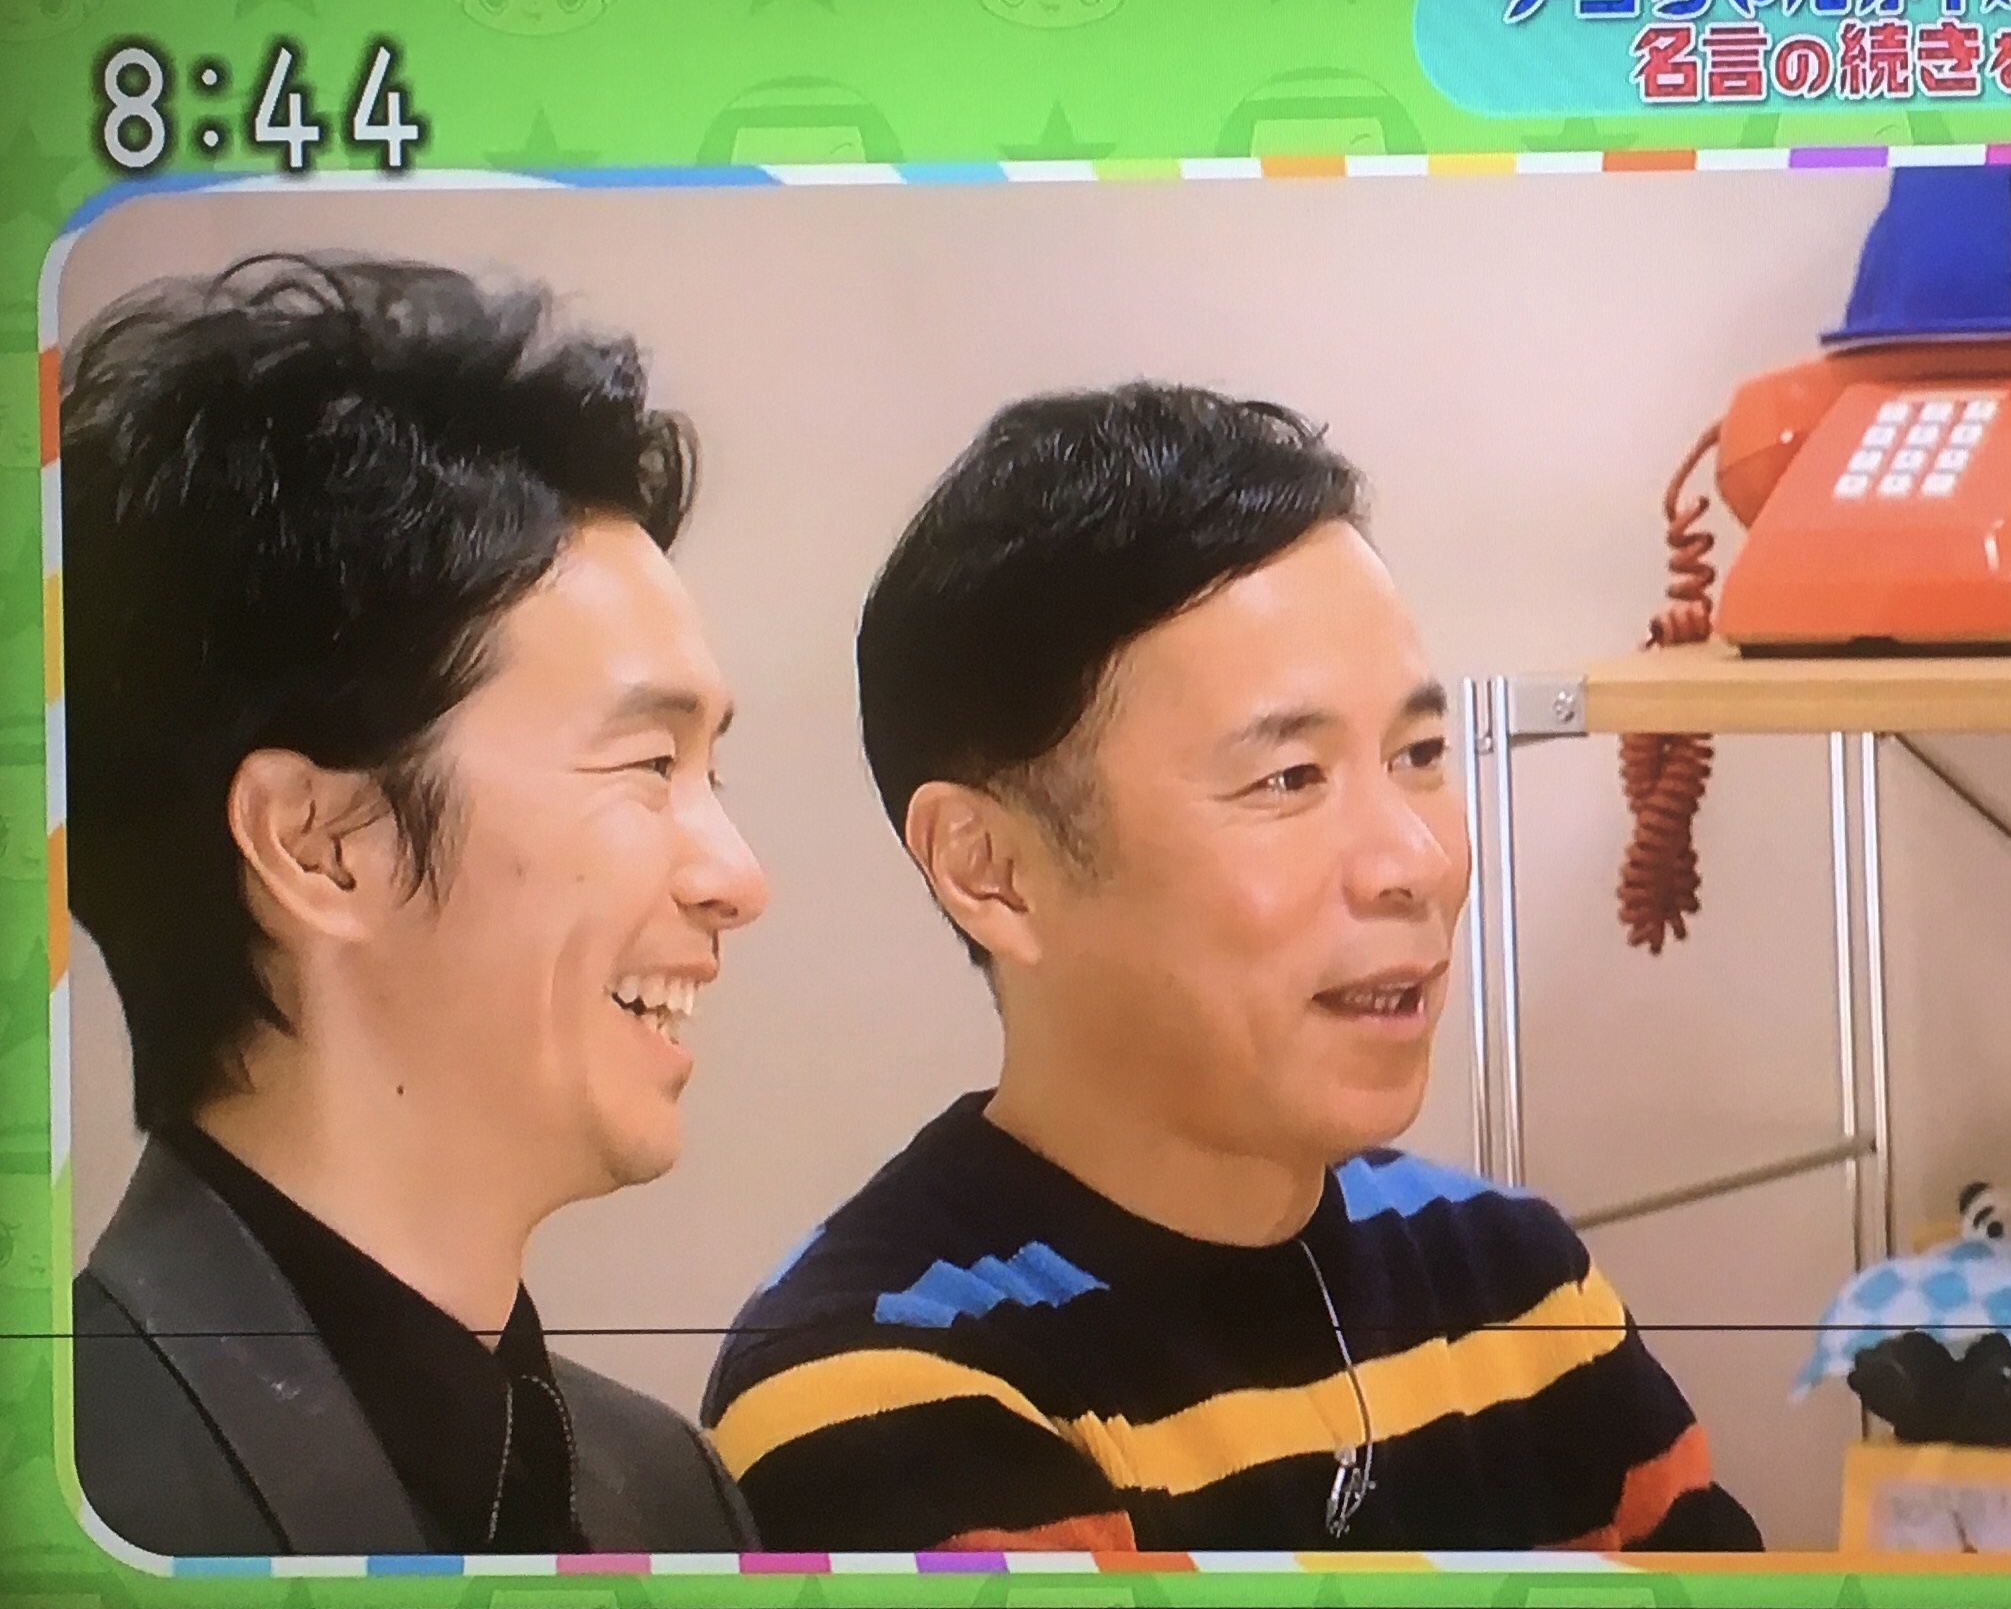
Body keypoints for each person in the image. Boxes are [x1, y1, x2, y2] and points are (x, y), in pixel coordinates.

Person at [704, 384, 1762, 1553]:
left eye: (1418, 752)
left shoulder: (1515, 1283)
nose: (1416, 860)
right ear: (991, 867)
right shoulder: (874, 1387)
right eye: (1288, 779)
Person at [62, 253, 771, 1555]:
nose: (737, 876)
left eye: (710, 770)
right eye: (646, 764)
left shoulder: (673, 1490)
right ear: (321, 845)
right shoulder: (75, 1494)